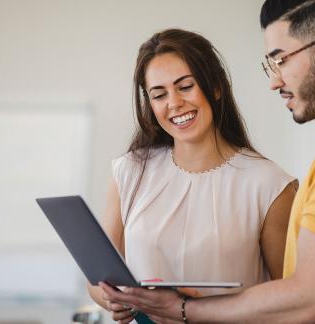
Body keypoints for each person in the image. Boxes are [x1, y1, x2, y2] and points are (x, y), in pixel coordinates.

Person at [100, 0, 315, 323]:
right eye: (158, 94)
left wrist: (183, 310)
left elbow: (305, 299)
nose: (275, 81)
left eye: (281, 60)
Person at [87, 28, 297, 323]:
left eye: (185, 87)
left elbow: (290, 299)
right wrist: (113, 299)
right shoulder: (129, 171)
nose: (174, 103)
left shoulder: (270, 185)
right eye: (159, 94)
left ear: (215, 87)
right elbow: (96, 278)